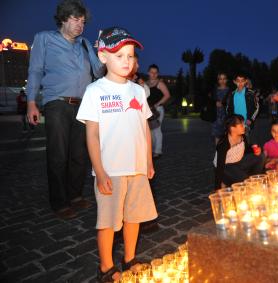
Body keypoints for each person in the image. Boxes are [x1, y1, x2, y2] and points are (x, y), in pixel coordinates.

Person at [76, 27, 157, 282]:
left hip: (136, 168)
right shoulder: (95, 91)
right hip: (110, 170)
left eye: (130, 56)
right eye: (119, 55)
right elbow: (92, 135)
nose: (126, 61)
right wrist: (99, 171)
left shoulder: (137, 91)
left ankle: (129, 257)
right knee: (108, 221)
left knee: (135, 217)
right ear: (103, 57)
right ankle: (106, 267)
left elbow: (144, 126)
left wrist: (149, 160)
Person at [26, 0, 104, 219]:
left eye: (83, 21)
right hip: (57, 103)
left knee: (79, 154)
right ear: (63, 18)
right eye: (75, 19)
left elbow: (98, 72)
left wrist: (102, 54)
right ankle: (59, 202)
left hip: (83, 105)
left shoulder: (86, 44)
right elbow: (35, 71)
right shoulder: (44, 39)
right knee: (58, 154)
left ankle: (76, 195)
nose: (80, 25)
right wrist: (31, 101)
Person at [214, 114, 264, 188]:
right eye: (241, 125)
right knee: (246, 180)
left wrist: (255, 150)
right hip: (226, 168)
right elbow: (220, 166)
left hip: (238, 163)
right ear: (232, 128)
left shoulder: (242, 137)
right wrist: (217, 187)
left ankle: (254, 179)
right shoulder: (224, 143)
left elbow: (246, 150)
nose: (244, 126)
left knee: (260, 156)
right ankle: (228, 181)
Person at [146, 64, 171, 159]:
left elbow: (167, 95)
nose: (153, 74)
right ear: (148, 72)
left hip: (158, 110)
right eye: (152, 72)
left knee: (157, 129)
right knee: (150, 131)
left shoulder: (160, 83)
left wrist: (157, 104)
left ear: (158, 73)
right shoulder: (146, 83)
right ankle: (152, 150)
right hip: (148, 110)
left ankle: (158, 151)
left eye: (155, 73)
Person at [211, 73, 231, 144]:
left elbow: (231, 103)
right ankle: (217, 152)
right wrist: (215, 103)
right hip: (216, 115)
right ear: (218, 80)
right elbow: (211, 101)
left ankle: (226, 153)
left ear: (227, 80)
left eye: (224, 79)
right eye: (220, 79)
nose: (222, 81)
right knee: (217, 135)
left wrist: (224, 104)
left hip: (226, 115)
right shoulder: (215, 90)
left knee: (227, 135)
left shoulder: (230, 90)